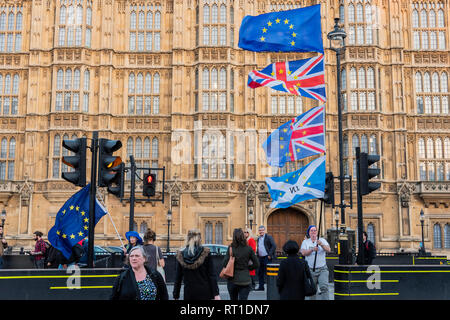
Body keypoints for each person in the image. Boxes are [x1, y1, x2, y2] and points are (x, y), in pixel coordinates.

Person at [173, 229, 220, 300]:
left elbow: (178, 278)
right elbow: (211, 275)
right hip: (204, 292)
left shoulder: (181, 255)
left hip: (189, 292)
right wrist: (216, 294)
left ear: (188, 239)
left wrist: (176, 295)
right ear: (199, 239)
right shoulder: (206, 253)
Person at [223, 228, 259, 300]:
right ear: (243, 236)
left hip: (232, 279)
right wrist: (248, 268)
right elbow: (256, 264)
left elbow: (224, 263)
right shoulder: (248, 248)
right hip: (245, 280)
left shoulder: (231, 248)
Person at [300, 225, 331, 300]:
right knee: (313, 290)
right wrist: (312, 250)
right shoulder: (305, 242)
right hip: (311, 269)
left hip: (322, 269)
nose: (313, 232)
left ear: (317, 232)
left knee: (324, 287)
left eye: (315, 230)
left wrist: (321, 245)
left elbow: (328, 250)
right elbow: (303, 253)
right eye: (311, 230)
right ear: (309, 233)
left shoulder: (322, 240)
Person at [256, 225, 276, 291]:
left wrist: (269, 254)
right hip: (260, 258)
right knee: (260, 273)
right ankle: (261, 287)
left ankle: (271, 287)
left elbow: (274, 246)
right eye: (260, 230)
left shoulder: (268, 237)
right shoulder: (258, 238)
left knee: (268, 273)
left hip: (267, 257)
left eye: (262, 230)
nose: (261, 231)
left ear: (264, 231)